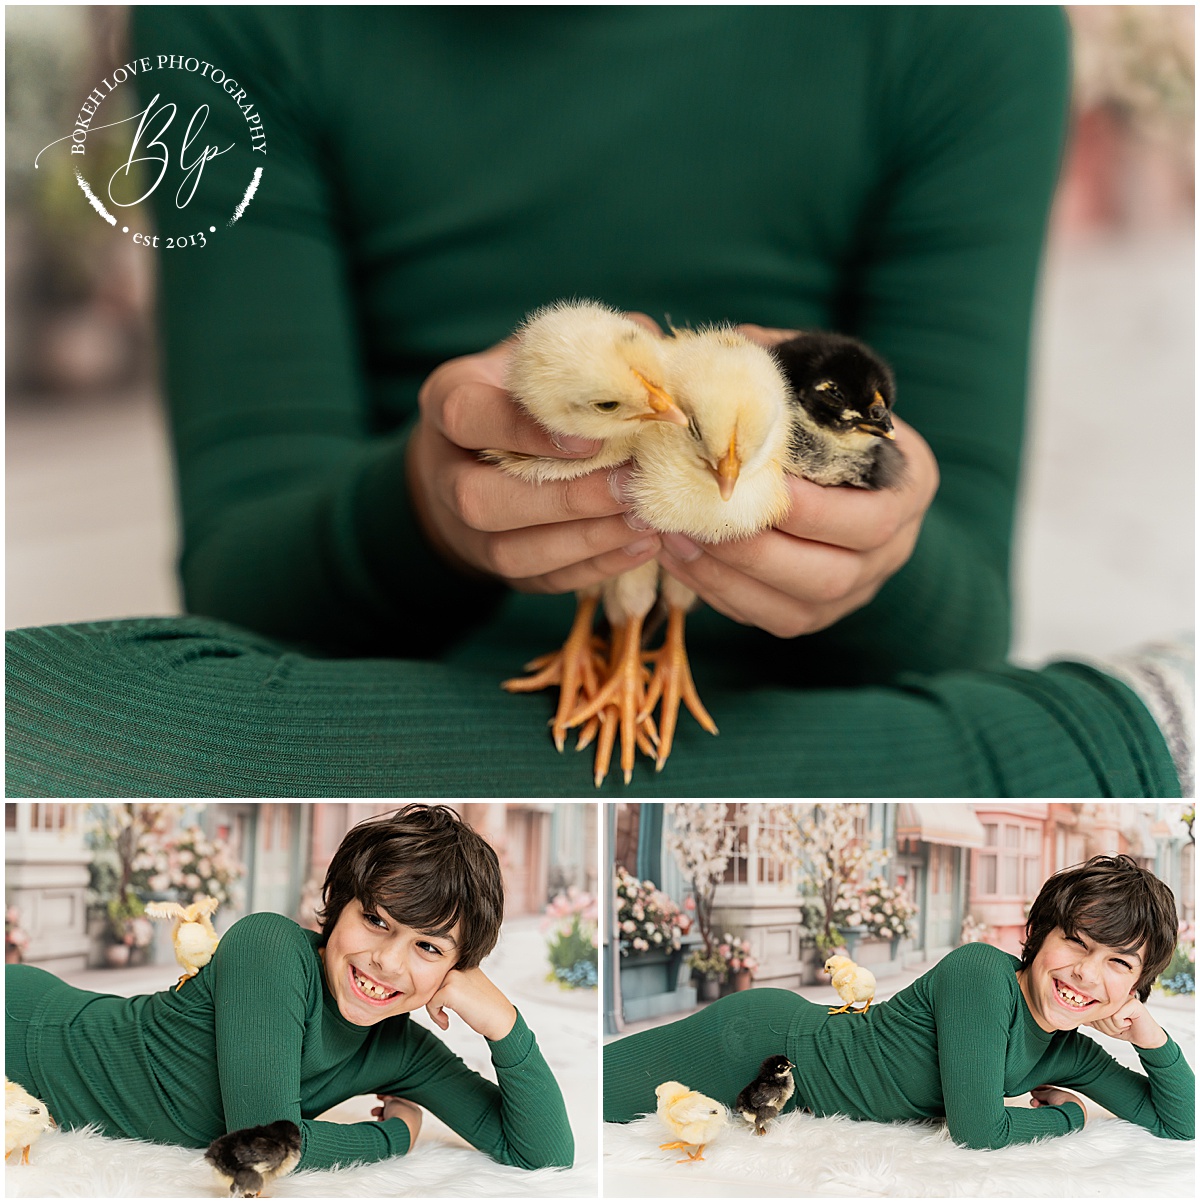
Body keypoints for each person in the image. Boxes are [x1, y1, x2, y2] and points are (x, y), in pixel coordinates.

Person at [3, 7, 1188, 796]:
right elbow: (244, 584)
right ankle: (1097, 754)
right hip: (370, 683)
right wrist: (428, 498)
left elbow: (958, 612)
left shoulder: (962, 26)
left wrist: (875, 547)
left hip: (766, 700)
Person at [5, 805, 574, 1171]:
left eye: (428, 947)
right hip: (25, 1024)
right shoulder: (270, 947)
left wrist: (506, 1025)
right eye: (376, 920)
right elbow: (262, 1143)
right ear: (337, 908)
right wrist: (397, 1136)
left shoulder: (401, 1049)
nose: (387, 962)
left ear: (455, 971)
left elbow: (543, 1153)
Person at [604, 854, 1194, 1148]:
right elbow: (977, 1130)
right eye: (1077, 942)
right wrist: (1070, 1116)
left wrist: (1151, 1038)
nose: (1087, 974)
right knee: (598, 1100)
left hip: (787, 1080)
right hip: (760, 1043)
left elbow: (1179, 1122)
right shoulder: (982, 974)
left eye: (1119, 963)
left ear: (1136, 985)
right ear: (1040, 935)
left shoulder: (1070, 1054)